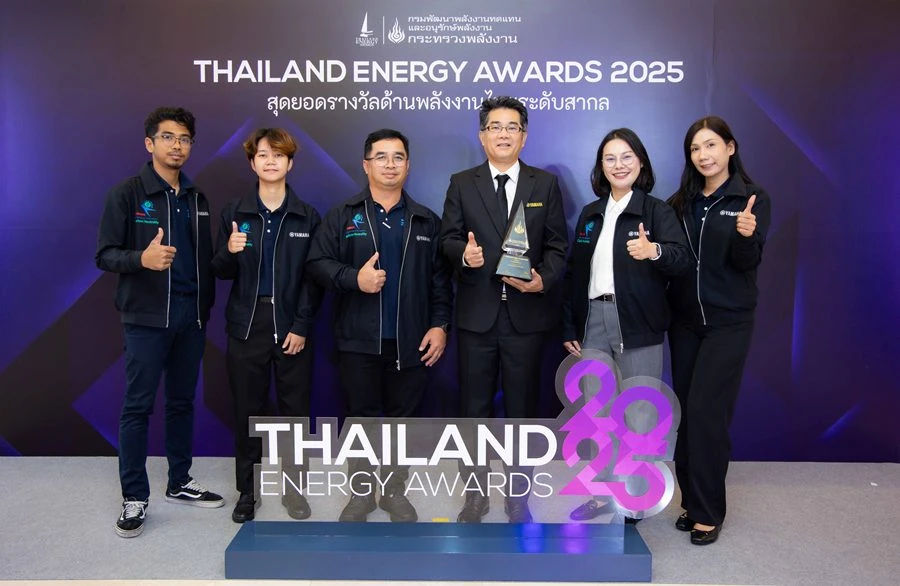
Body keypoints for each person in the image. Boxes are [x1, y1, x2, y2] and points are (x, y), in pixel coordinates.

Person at [307, 128, 453, 523]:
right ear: (366, 164)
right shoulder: (343, 215)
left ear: (408, 166)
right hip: (358, 339)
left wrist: (439, 325)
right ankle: (361, 495)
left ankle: (393, 492)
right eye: (381, 157)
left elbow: (441, 282)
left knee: (401, 423)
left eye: (398, 157)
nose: (390, 164)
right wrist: (354, 278)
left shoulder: (426, 221)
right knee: (362, 420)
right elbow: (317, 264)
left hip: (411, 341)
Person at [440, 96, 568, 523]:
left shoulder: (544, 184)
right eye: (495, 126)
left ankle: (518, 496)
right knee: (473, 412)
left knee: (522, 412)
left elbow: (558, 246)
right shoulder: (462, 182)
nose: (503, 134)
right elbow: (447, 239)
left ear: (524, 136)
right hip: (477, 317)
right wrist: (464, 255)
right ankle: (475, 495)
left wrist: (542, 279)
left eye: (512, 127)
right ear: (482, 136)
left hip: (525, 318)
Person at [96, 106, 223, 539]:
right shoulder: (127, 194)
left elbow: (203, 261)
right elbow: (105, 255)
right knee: (137, 406)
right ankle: (135, 495)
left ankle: (179, 480)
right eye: (168, 137)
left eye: (185, 139)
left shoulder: (196, 198)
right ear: (150, 143)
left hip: (191, 316)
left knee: (182, 402)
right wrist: (142, 259)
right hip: (147, 318)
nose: (177, 146)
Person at [561, 128, 691, 521]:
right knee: (597, 415)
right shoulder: (591, 214)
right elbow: (574, 274)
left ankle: (634, 498)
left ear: (641, 162)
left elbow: (681, 260)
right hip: (593, 322)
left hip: (638, 322)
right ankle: (602, 494)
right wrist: (570, 325)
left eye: (626, 157)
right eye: (610, 158)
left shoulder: (657, 211)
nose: (619, 165)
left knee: (639, 415)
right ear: (601, 167)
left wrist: (654, 251)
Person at [666, 116, 771, 545]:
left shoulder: (751, 198)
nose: (703, 155)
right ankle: (691, 502)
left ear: (730, 147)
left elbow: (748, 262)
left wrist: (747, 236)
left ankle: (709, 510)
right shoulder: (680, 203)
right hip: (685, 323)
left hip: (728, 323)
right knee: (686, 414)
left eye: (711, 145)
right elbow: (672, 260)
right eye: (695, 148)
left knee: (707, 413)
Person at [211, 128, 322, 524]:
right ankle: (248, 491)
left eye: (278, 155)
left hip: (292, 326)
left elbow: (313, 279)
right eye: (262, 155)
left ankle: (295, 491)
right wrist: (229, 251)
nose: (270, 161)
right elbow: (219, 270)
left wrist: (301, 325)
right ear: (252, 163)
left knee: (295, 415)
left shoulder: (307, 216)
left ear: (290, 163)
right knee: (247, 412)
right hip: (247, 326)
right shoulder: (235, 213)